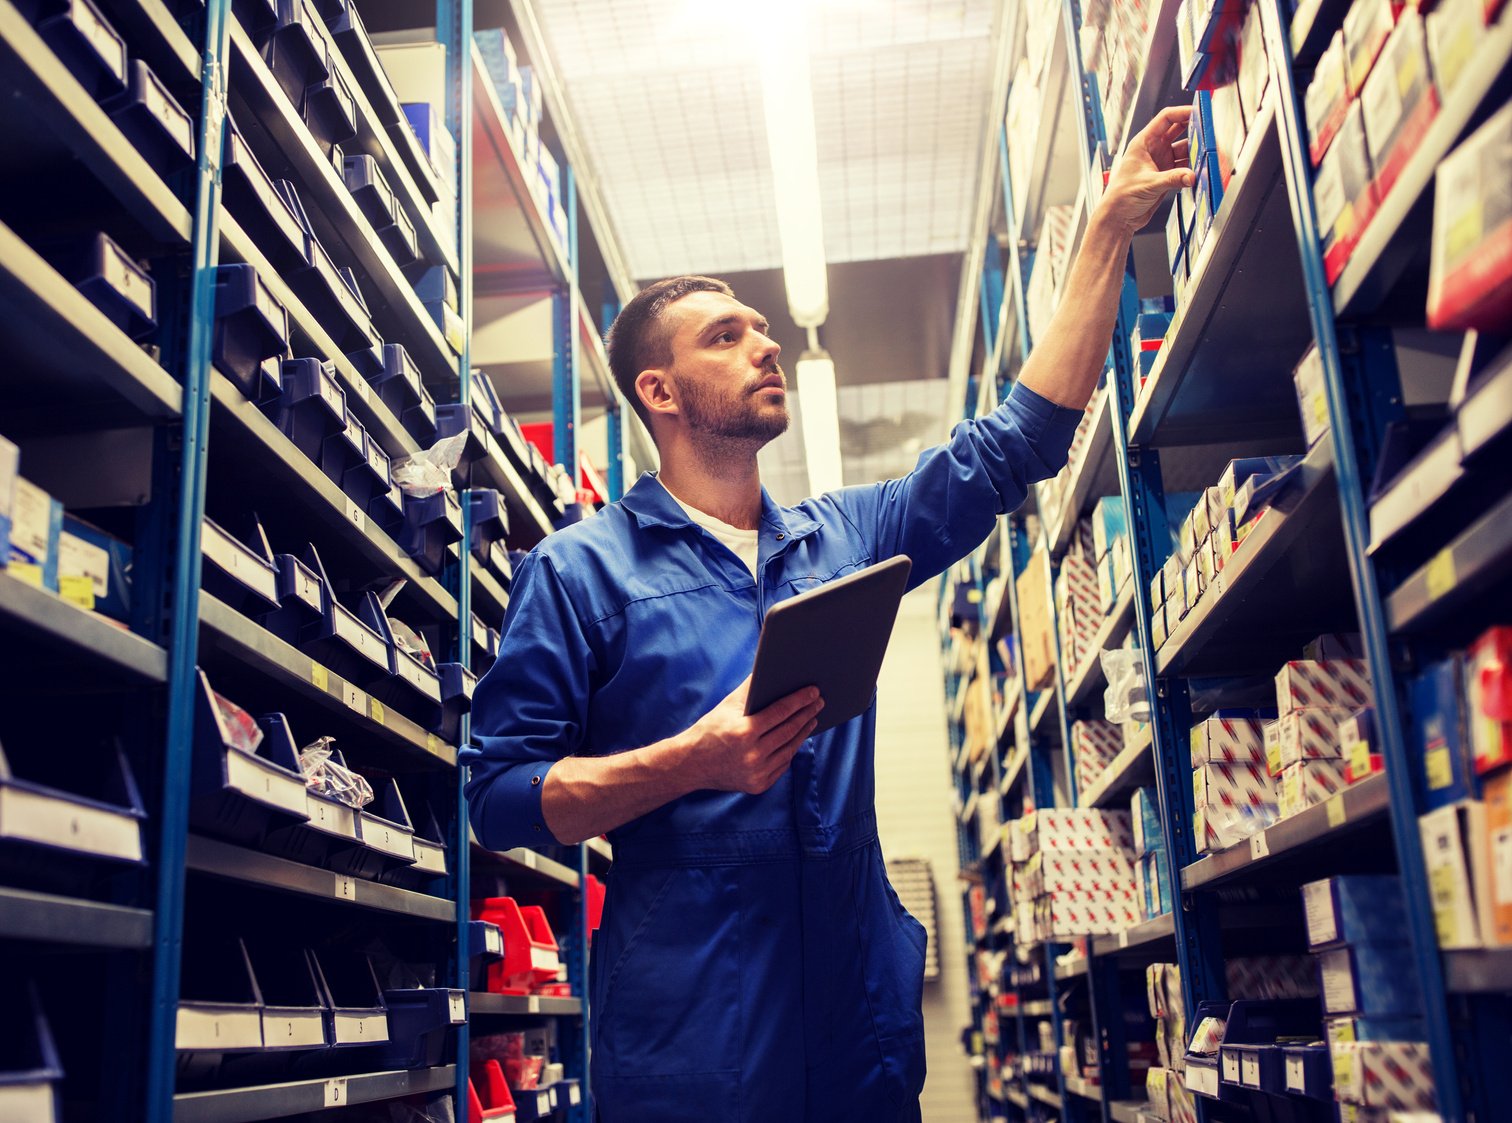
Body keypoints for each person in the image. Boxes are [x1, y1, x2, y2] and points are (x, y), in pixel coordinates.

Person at [463, 106, 1195, 1122]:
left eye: (764, 328)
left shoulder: (844, 536)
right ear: (659, 390)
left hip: (857, 1038)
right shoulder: (579, 572)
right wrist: (688, 760)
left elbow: (1020, 442)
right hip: (694, 1053)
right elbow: (498, 795)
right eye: (729, 336)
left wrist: (1108, 227)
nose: (766, 346)